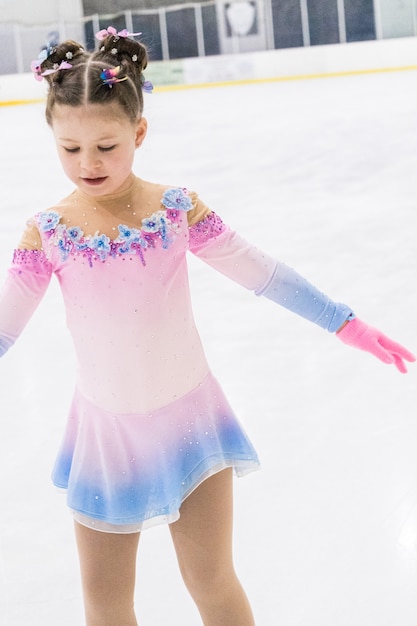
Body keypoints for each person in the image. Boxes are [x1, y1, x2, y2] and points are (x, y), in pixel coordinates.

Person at [0, 26, 414, 626]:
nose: (87, 163)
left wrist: (345, 324)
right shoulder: (48, 231)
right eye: (69, 148)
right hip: (106, 438)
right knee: (107, 601)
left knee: (212, 580)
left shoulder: (176, 208)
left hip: (192, 421)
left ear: (139, 133)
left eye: (107, 146)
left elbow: (263, 273)